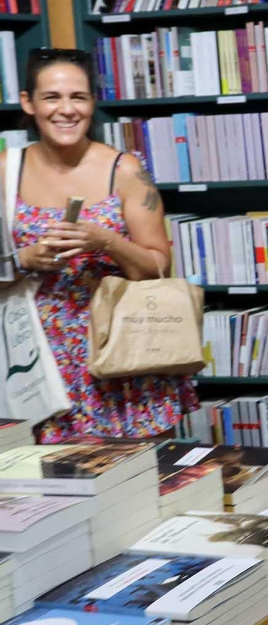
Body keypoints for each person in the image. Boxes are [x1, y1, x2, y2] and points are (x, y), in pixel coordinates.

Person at [9, 47, 198, 442]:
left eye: (78, 97)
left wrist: (106, 241)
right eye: (51, 97)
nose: (66, 110)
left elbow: (158, 268)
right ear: (28, 102)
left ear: (92, 103)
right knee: (46, 496)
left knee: (133, 488)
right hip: (35, 364)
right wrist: (24, 258)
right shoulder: (4, 173)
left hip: (119, 353)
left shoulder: (125, 170)